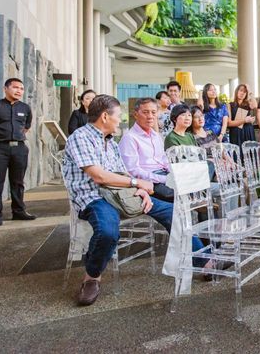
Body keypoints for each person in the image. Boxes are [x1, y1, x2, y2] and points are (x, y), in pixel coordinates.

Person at [62, 94, 210, 306]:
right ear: (105, 116)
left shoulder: (110, 143)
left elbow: (121, 173)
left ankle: (203, 261)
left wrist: (139, 190)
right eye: (118, 116)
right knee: (108, 231)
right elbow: (99, 176)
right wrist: (136, 184)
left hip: (119, 194)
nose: (120, 120)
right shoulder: (81, 137)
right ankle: (92, 276)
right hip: (93, 197)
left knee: (174, 211)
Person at [0, 77, 37, 226]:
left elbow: (26, 127)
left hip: (19, 148)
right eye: (15, 87)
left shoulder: (25, 108)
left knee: (18, 182)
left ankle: (19, 212)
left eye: (21, 88)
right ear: (6, 88)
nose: (19, 91)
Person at [118, 98, 174, 202]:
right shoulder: (130, 138)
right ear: (135, 115)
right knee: (181, 194)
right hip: (148, 181)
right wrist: (164, 179)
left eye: (153, 112)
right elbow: (133, 171)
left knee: (196, 188)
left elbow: (164, 159)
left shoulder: (156, 136)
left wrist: (173, 173)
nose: (150, 116)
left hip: (164, 175)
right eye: (145, 112)